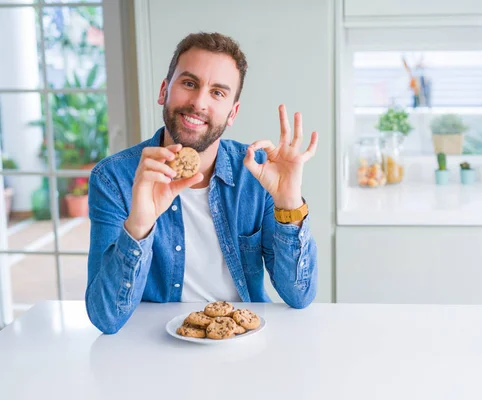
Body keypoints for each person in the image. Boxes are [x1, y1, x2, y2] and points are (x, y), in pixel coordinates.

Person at [85, 32, 319, 334]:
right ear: (164, 91)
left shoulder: (256, 173)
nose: (198, 102)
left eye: (218, 93)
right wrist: (139, 225)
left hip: (243, 344)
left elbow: (299, 296)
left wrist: (289, 203)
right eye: (189, 83)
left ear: (232, 113)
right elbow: (105, 318)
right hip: (151, 347)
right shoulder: (113, 179)